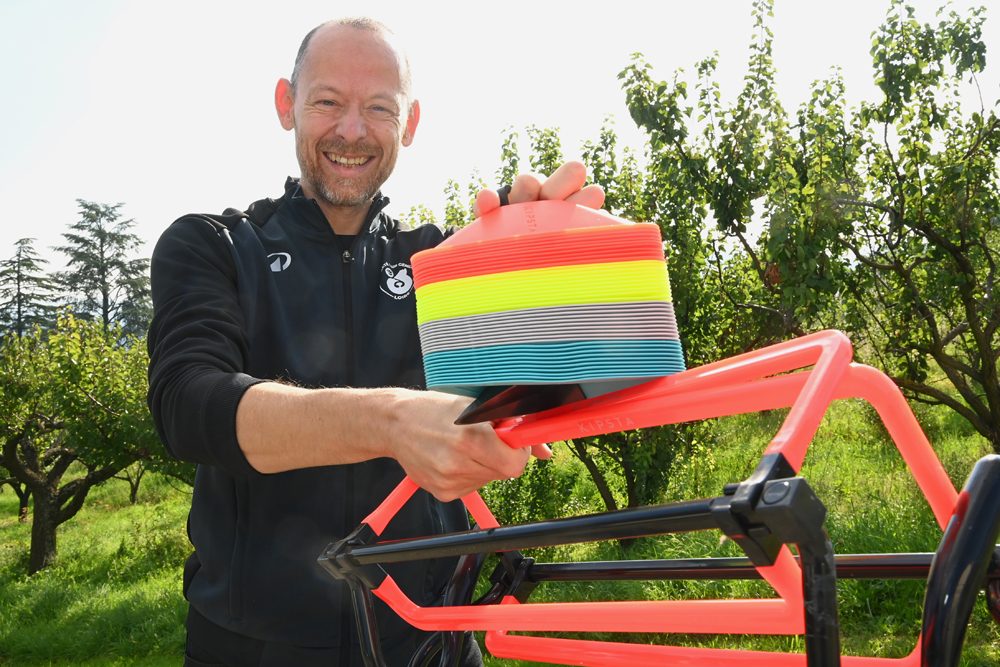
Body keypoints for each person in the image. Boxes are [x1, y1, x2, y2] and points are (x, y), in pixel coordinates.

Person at [147, 16, 604, 667]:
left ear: (410, 123)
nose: (352, 130)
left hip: (434, 639)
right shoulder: (214, 248)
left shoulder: (441, 260)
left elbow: (555, 374)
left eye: (379, 108)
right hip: (252, 649)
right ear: (287, 105)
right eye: (328, 101)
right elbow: (189, 404)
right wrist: (389, 421)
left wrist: (542, 245)